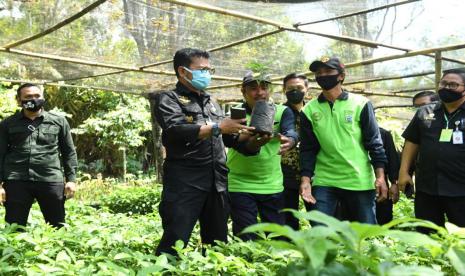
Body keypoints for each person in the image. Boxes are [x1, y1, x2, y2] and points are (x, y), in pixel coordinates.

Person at [152, 48, 257, 256]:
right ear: (183, 72)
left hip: (217, 182)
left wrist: (254, 139)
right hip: (185, 184)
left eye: (210, 69)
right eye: (202, 69)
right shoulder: (169, 98)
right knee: (175, 240)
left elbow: (229, 139)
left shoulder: (212, 102)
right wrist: (218, 127)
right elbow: (175, 130)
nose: (207, 74)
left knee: (216, 244)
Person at [299, 57, 388, 224]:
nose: (322, 76)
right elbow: (307, 149)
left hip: (358, 179)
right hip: (324, 179)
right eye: (319, 73)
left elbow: (374, 143)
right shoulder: (309, 110)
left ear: (341, 76)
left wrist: (381, 177)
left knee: (364, 234)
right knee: (320, 230)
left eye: (328, 72)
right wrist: (305, 180)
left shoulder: (360, 104)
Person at [227, 71, 298, 240]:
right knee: (245, 237)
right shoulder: (236, 114)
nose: (259, 92)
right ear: (243, 91)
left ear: (270, 90)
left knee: (278, 237)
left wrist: (291, 140)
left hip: (271, 184)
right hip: (239, 184)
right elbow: (231, 141)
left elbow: (291, 131)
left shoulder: (282, 111)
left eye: (264, 87)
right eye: (253, 88)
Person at [0, 83, 77, 228]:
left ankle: (58, 250)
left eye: (37, 96)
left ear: (43, 98)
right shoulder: (7, 124)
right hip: (16, 180)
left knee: (57, 225)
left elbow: (69, 152)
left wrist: (71, 179)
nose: (33, 99)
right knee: (14, 227)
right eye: (28, 97)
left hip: (50, 179)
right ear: (19, 100)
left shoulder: (59, 121)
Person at [399, 68, 465, 231]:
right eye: (443, 83)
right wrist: (404, 172)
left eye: (453, 85)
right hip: (428, 187)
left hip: (460, 190)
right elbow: (412, 142)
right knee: (427, 236)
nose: (446, 88)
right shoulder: (425, 112)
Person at [280, 73, 312, 230]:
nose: (295, 91)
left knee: (318, 213)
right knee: (288, 215)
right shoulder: (279, 112)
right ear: (284, 90)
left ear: (307, 89)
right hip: (285, 171)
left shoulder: (314, 111)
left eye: (299, 88)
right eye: (290, 89)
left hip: (313, 171)